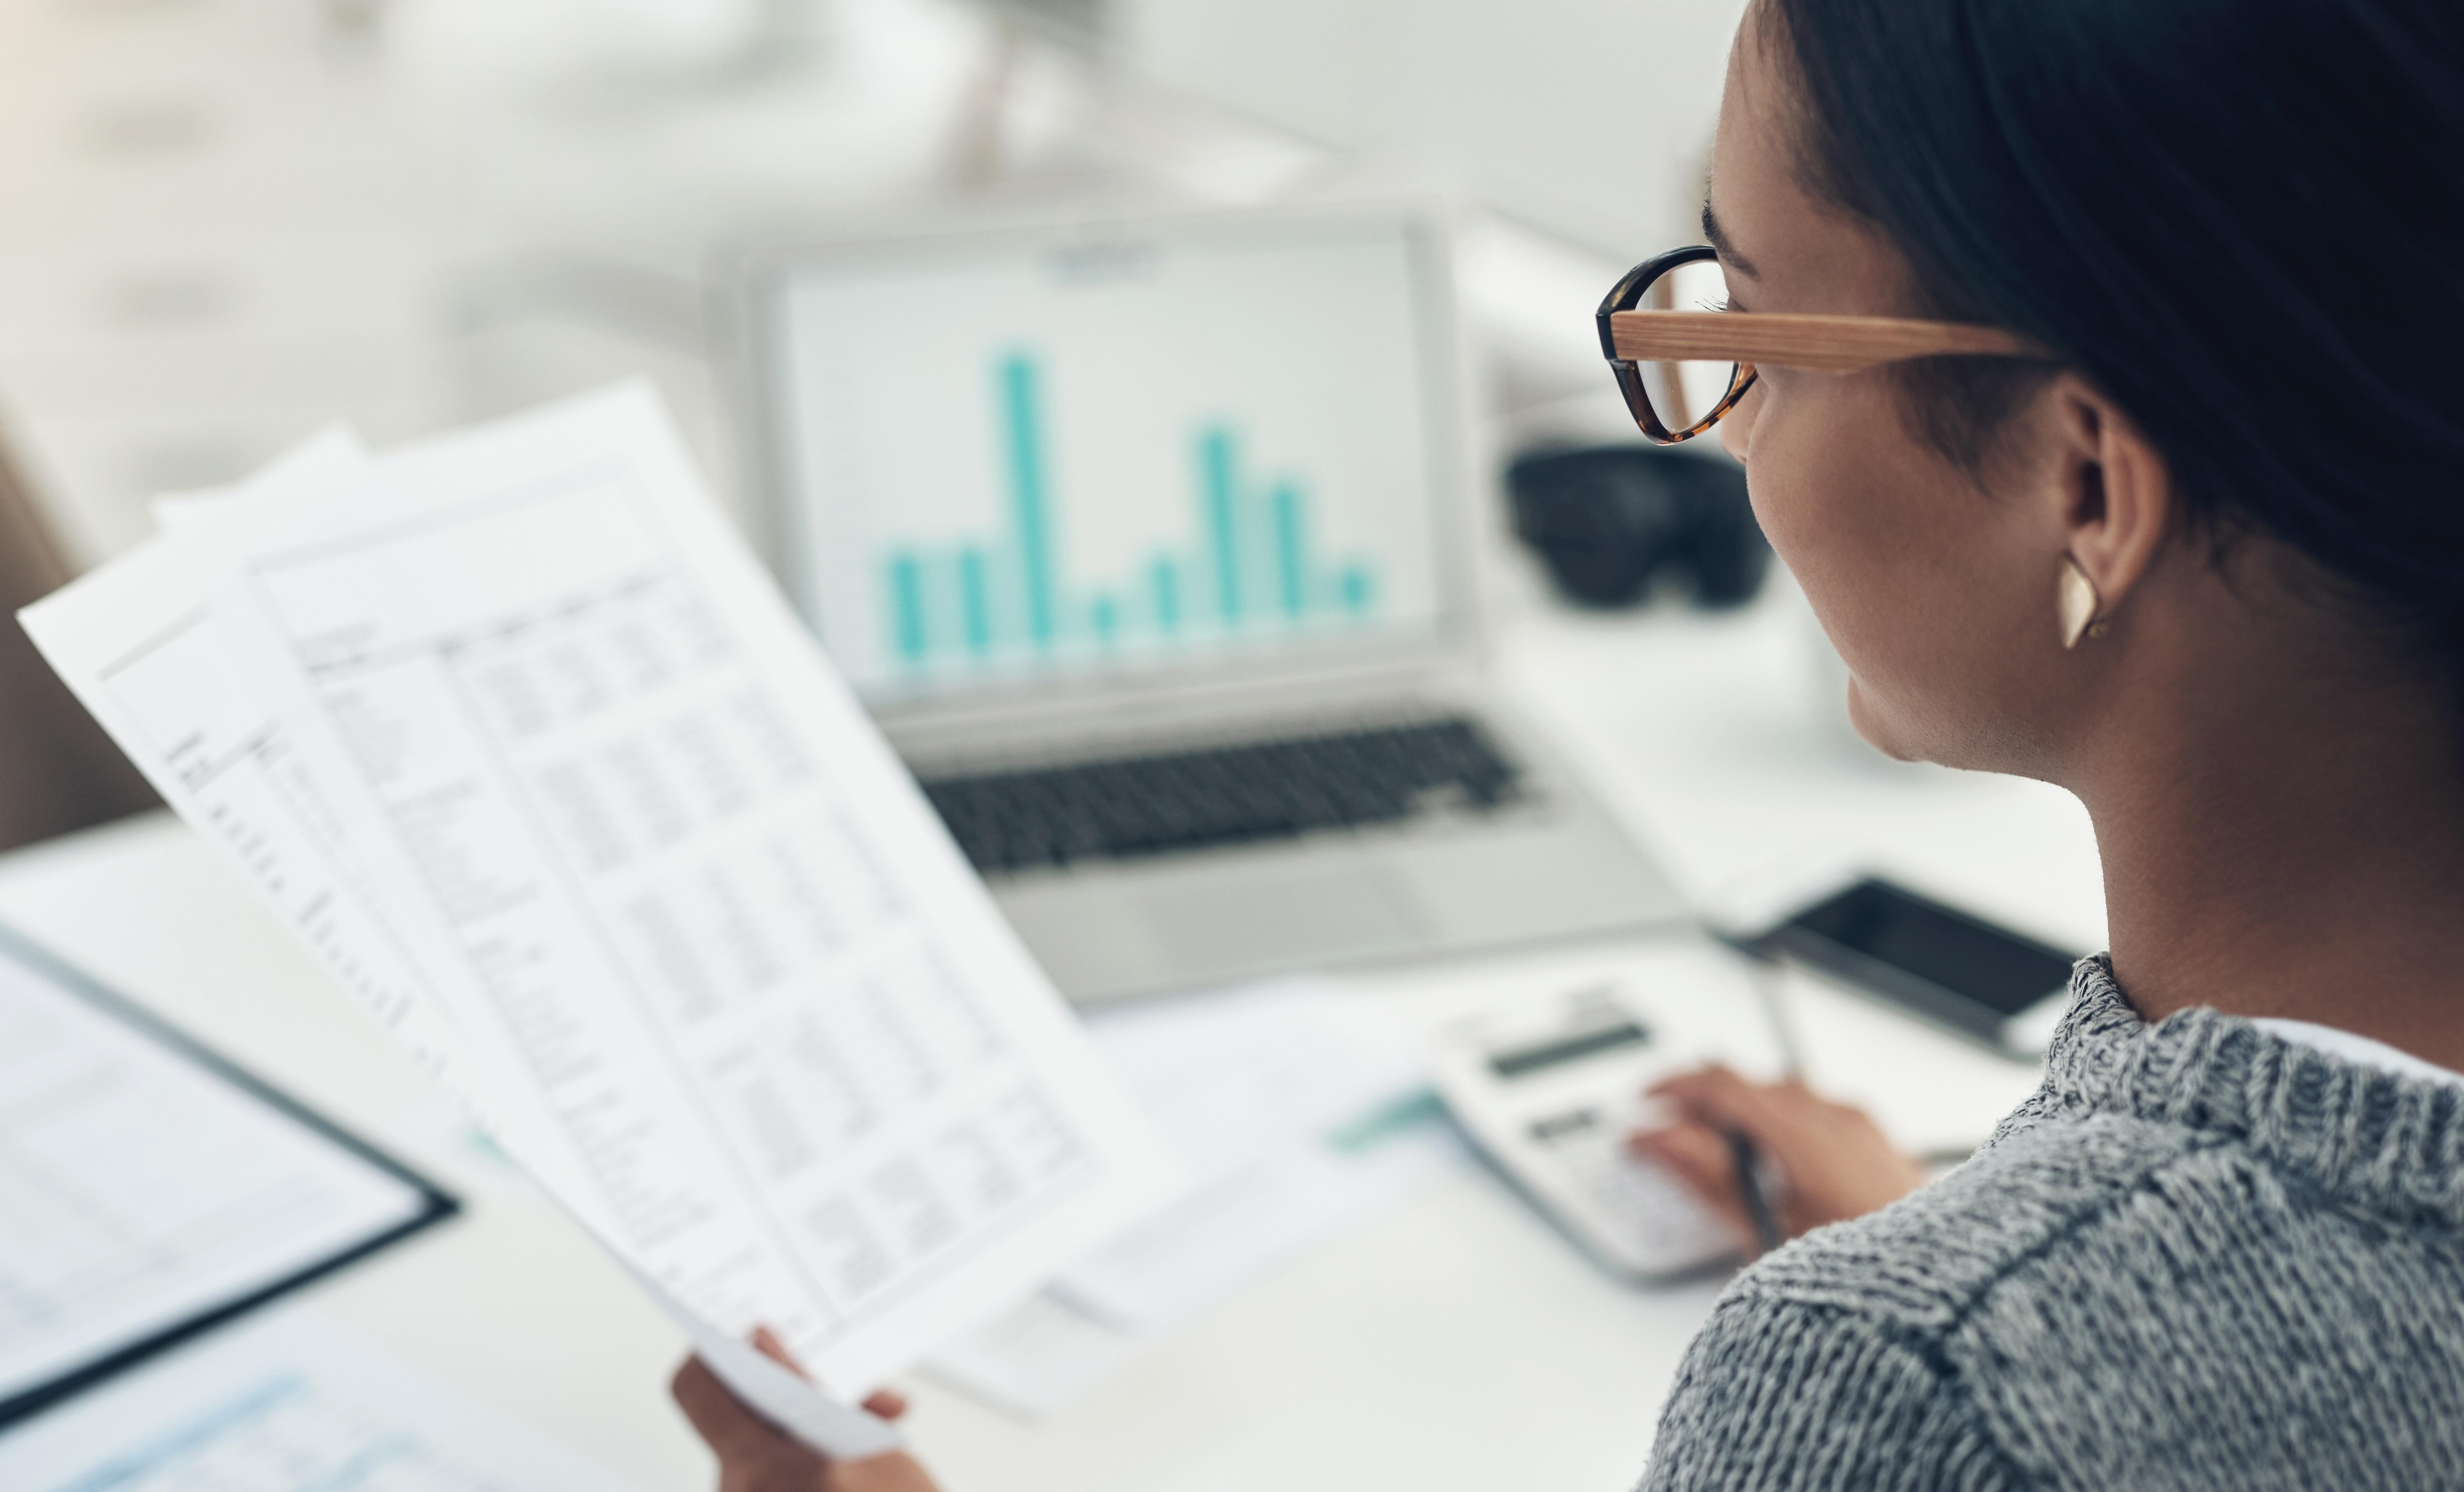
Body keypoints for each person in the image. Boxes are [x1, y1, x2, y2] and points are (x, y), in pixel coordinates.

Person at [669, 0, 2464, 1483]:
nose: (1724, 426)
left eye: (1751, 324)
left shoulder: (1911, 1388)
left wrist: (1978, 1310)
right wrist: (1980, 1228)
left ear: (2082, 481)